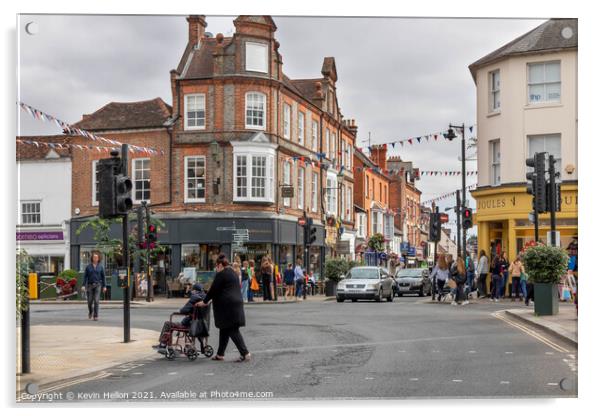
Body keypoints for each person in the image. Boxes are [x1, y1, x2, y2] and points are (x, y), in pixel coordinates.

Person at [196, 254, 250, 362]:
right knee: (224, 329)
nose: (216, 268)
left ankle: (245, 353)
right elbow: (224, 289)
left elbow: (213, 289)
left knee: (232, 330)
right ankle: (220, 354)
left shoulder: (221, 274)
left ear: (220, 265)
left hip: (227, 306)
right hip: (235, 304)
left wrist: (204, 301)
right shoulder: (233, 273)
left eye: (216, 266)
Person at [154, 283, 207, 352]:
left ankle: (163, 344)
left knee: (168, 324)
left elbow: (183, 310)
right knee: (172, 324)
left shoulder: (194, 298)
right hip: (201, 324)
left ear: (195, 291)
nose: (191, 291)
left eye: (192, 290)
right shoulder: (205, 299)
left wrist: (181, 311)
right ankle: (200, 345)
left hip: (190, 324)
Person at [82, 252, 107, 321]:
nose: (95, 258)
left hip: (98, 285)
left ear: (98, 258)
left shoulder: (101, 267)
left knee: (96, 301)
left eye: (96, 257)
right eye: (94, 257)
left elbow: (103, 277)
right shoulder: (88, 267)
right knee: (89, 301)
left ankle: (96, 316)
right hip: (89, 285)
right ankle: (90, 311)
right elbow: (85, 277)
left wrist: (104, 286)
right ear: (92, 258)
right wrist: (83, 285)